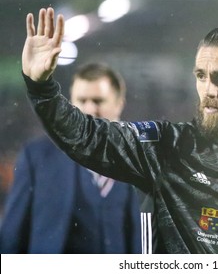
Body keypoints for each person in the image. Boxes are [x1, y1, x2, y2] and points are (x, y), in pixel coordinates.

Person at [20, 7, 218, 254]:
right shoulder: (165, 147)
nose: (208, 90)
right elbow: (86, 136)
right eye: (201, 76)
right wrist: (42, 88)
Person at [0, 62, 143, 254]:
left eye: (98, 101)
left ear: (119, 104)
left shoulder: (144, 158)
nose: (90, 109)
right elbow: (12, 234)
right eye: (82, 101)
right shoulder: (38, 157)